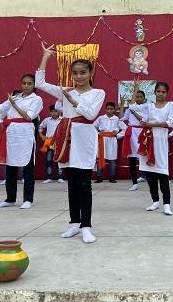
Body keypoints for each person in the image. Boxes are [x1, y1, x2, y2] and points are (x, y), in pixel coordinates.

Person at [36, 44, 104, 243]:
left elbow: (91, 115)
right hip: (66, 139)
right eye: (75, 73)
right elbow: (40, 83)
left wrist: (73, 101)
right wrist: (45, 57)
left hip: (84, 139)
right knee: (72, 184)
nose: (79, 76)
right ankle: (74, 223)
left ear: (90, 73)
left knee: (84, 184)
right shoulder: (65, 90)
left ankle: (86, 226)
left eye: (83, 72)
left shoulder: (97, 93)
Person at [0, 74, 43, 210]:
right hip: (12, 135)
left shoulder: (37, 99)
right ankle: (10, 198)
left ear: (34, 85)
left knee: (28, 168)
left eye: (29, 83)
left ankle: (28, 199)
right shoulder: (15, 98)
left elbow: (28, 117)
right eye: (24, 83)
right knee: (10, 168)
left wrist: (14, 105)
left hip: (25, 135)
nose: (26, 86)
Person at [129, 80, 173, 216]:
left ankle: (166, 204)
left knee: (163, 173)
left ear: (167, 93)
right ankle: (155, 201)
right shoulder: (149, 106)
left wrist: (151, 124)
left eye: (163, 92)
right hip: (148, 141)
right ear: (154, 92)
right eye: (158, 91)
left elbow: (170, 123)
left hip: (161, 142)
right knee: (149, 173)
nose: (161, 94)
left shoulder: (170, 105)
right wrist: (136, 89)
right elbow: (132, 107)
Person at [120, 92, 148, 190]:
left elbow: (144, 121)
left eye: (141, 97)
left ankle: (148, 177)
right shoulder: (129, 109)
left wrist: (133, 111)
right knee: (132, 158)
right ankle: (134, 183)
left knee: (145, 157)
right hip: (131, 133)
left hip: (142, 133)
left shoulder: (147, 108)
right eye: (137, 97)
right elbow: (121, 118)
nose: (138, 98)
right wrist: (122, 104)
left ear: (144, 98)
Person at [93, 101, 127, 183]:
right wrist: (98, 134)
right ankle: (99, 177)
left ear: (114, 109)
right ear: (105, 109)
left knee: (112, 160)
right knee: (100, 158)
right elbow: (93, 127)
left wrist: (118, 135)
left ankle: (112, 177)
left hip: (112, 140)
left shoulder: (117, 119)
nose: (109, 111)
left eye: (111, 109)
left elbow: (125, 129)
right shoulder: (101, 118)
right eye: (107, 109)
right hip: (102, 140)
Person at [39, 104, 64, 184]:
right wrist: (42, 136)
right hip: (49, 142)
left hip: (60, 142)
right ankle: (49, 177)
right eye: (52, 111)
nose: (53, 113)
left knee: (60, 160)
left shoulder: (63, 120)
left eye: (55, 111)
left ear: (59, 112)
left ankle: (60, 177)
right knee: (49, 160)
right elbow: (40, 127)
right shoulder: (47, 120)